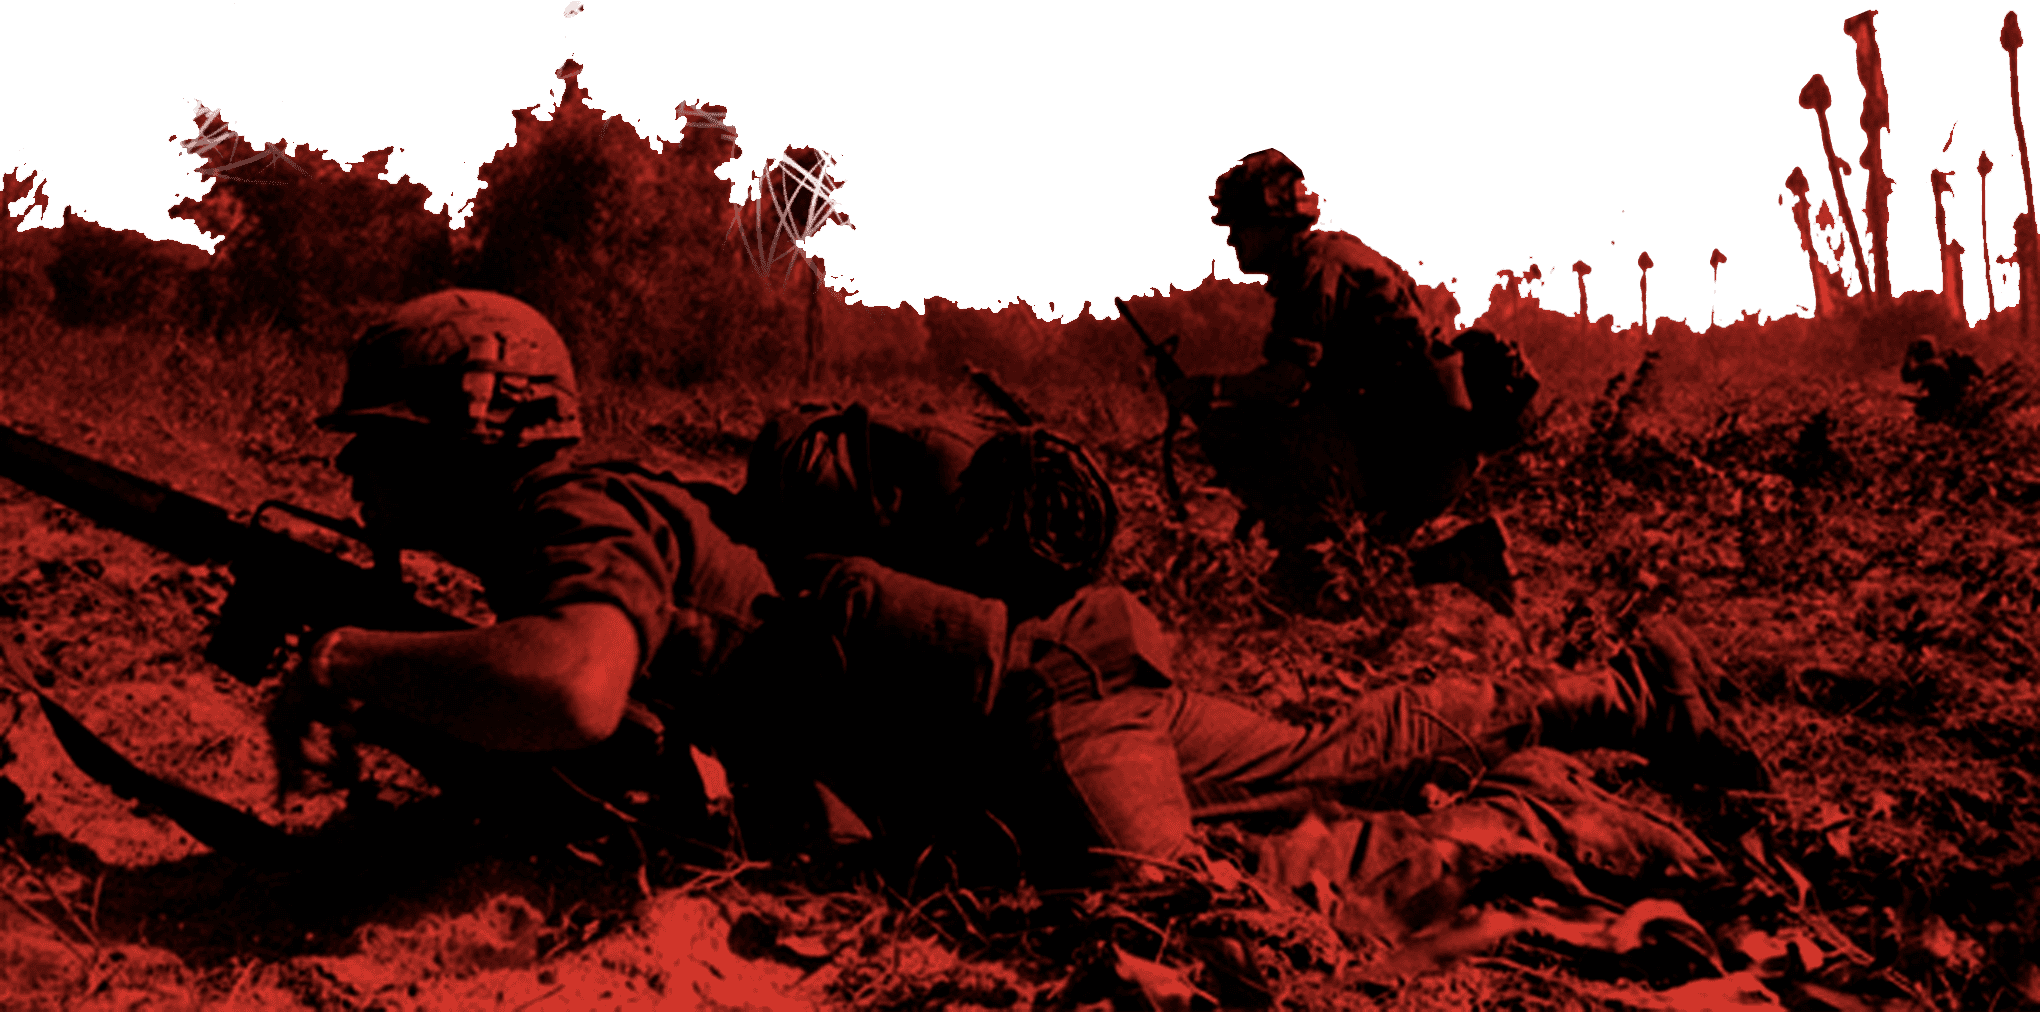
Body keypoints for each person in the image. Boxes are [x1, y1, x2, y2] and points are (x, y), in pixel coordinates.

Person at [268, 288, 786, 849]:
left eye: (383, 437)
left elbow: (576, 694)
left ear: (467, 437)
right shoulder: (526, 528)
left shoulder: (579, 511)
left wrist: (340, 660)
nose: (349, 460)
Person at [1163, 149, 1534, 615]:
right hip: (1436, 447)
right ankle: (1466, 555)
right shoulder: (1337, 255)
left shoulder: (1314, 271)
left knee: (1232, 430)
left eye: (1241, 224)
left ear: (1275, 223)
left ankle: (1305, 557)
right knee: (1354, 579)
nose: (1232, 238)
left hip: (1416, 451)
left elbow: (1284, 383)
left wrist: (1206, 390)